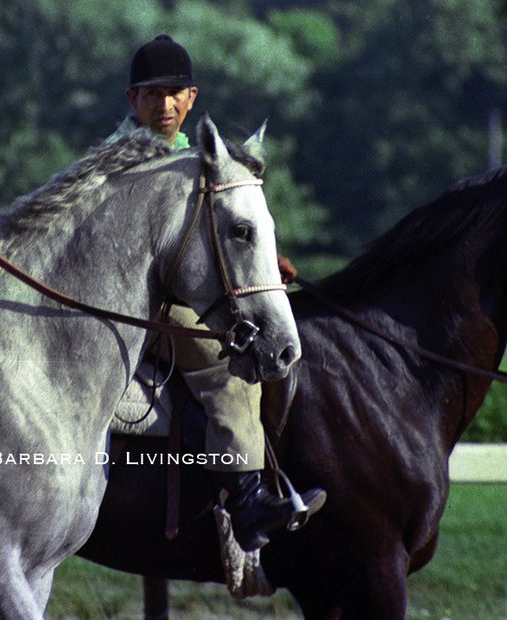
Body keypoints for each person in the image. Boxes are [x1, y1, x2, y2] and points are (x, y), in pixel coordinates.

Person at [111, 35, 325, 551]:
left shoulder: (197, 158)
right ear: (132, 100)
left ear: (191, 98)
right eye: (151, 93)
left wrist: (261, 263)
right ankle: (247, 500)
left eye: (174, 93)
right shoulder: (117, 164)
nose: (163, 104)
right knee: (229, 372)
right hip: (142, 306)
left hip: (184, 295)